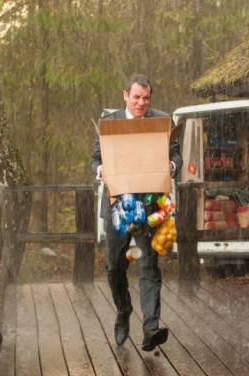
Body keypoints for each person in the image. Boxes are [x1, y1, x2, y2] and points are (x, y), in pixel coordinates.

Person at [90, 74, 182, 351]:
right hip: (118, 207)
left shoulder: (162, 122)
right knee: (115, 267)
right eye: (136, 97)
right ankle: (123, 310)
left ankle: (150, 328)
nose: (142, 103)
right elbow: (95, 158)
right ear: (125, 96)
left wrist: (172, 166)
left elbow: (177, 156)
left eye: (146, 98)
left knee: (148, 266)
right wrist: (100, 169)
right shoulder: (109, 124)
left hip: (150, 207)